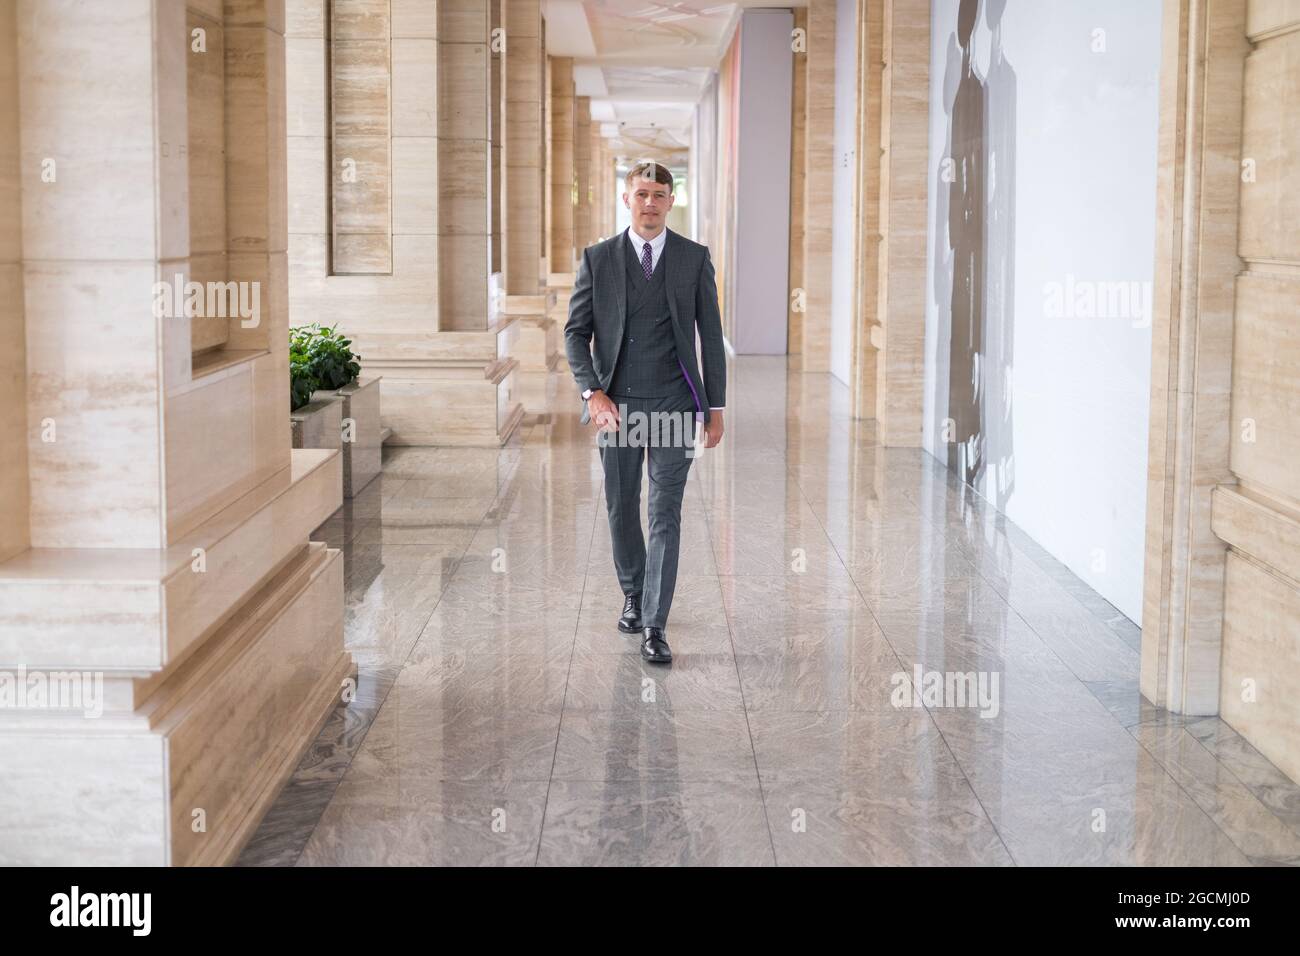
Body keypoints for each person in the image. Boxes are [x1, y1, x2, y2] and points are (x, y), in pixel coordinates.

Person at [563, 160, 727, 664]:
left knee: (664, 513)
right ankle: (633, 592)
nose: (650, 202)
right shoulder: (599, 259)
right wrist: (593, 393)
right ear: (626, 199)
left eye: (659, 194)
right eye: (641, 193)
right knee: (620, 505)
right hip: (618, 405)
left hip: (675, 400)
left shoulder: (693, 259)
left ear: (670, 201)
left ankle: (655, 623)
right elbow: (575, 333)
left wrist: (714, 407)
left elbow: (710, 338)